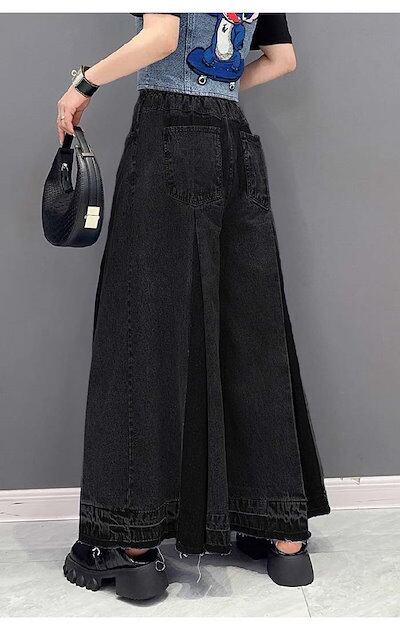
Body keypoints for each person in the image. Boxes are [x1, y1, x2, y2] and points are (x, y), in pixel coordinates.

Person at [57, 13, 330, 601]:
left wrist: (84, 83)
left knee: (145, 326)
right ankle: (283, 537)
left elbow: (162, 37)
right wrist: (219, 86)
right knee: (251, 329)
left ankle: (133, 551)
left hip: (167, 132)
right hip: (234, 137)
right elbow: (281, 59)